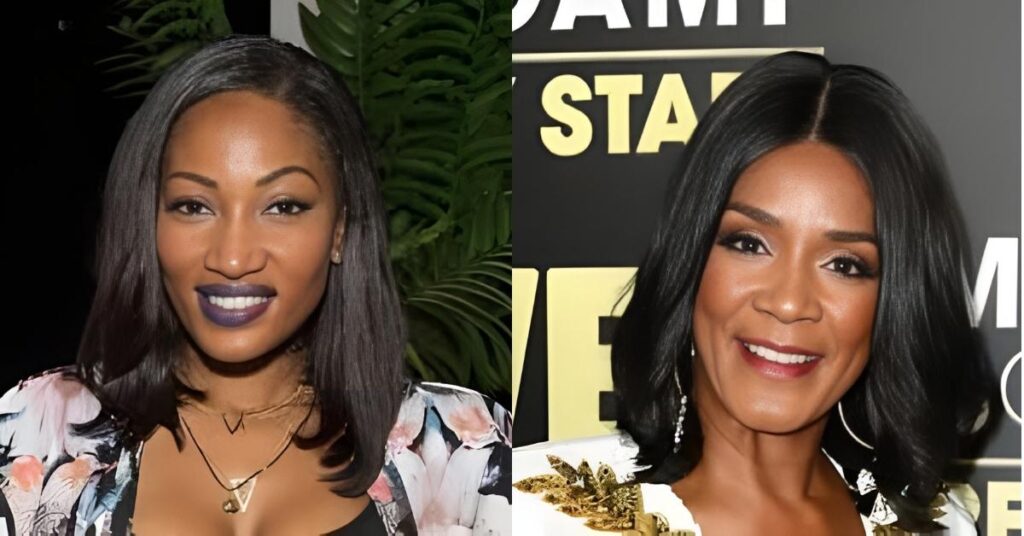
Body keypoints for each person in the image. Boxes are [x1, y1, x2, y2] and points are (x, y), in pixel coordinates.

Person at [0, 34, 511, 535]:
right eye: (193, 206)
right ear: (148, 222)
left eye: (283, 207)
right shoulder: (37, 432)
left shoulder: (463, 448)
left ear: (339, 231)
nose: (233, 257)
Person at [513, 51, 995, 535]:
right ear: (691, 261)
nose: (788, 303)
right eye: (749, 244)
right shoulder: (527, 509)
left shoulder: (939, 525)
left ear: (893, 302)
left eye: (844, 265)